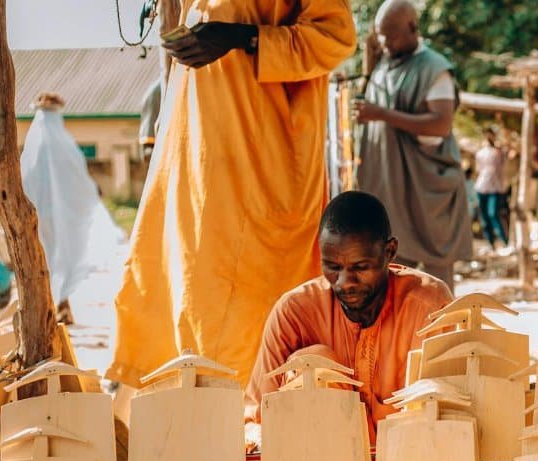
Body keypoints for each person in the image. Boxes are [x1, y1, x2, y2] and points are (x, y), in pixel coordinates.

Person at [106, 1, 356, 391]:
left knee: (253, 320)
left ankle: (254, 424)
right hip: (196, 168)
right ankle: (192, 414)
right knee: (187, 291)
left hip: (264, 167)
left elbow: (335, 38)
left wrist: (243, 37)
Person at [246, 191, 452, 438]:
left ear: (390, 251)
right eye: (333, 267)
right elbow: (256, 420)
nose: (345, 283)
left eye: (360, 267)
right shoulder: (293, 314)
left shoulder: (428, 308)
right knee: (313, 362)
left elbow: (452, 417)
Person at [354, 0, 470, 291]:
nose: (384, 42)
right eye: (380, 35)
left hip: (427, 190)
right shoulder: (382, 66)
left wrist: (382, 115)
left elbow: (440, 124)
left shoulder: (435, 68)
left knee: (436, 282)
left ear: (412, 28)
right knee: (395, 277)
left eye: (391, 35)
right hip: (392, 190)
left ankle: (443, 336)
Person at [20, 93, 126, 322]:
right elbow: (80, 179)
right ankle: (61, 304)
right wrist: (92, 193)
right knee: (64, 256)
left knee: (46, 259)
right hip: (65, 216)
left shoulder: (31, 148)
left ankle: (57, 305)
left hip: (39, 216)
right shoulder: (65, 144)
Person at [474, 127, 512, 250]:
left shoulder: (499, 152)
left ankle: (504, 241)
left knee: (493, 214)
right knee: (485, 217)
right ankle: (491, 243)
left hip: (495, 188)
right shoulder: (480, 153)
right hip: (482, 187)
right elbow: (478, 169)